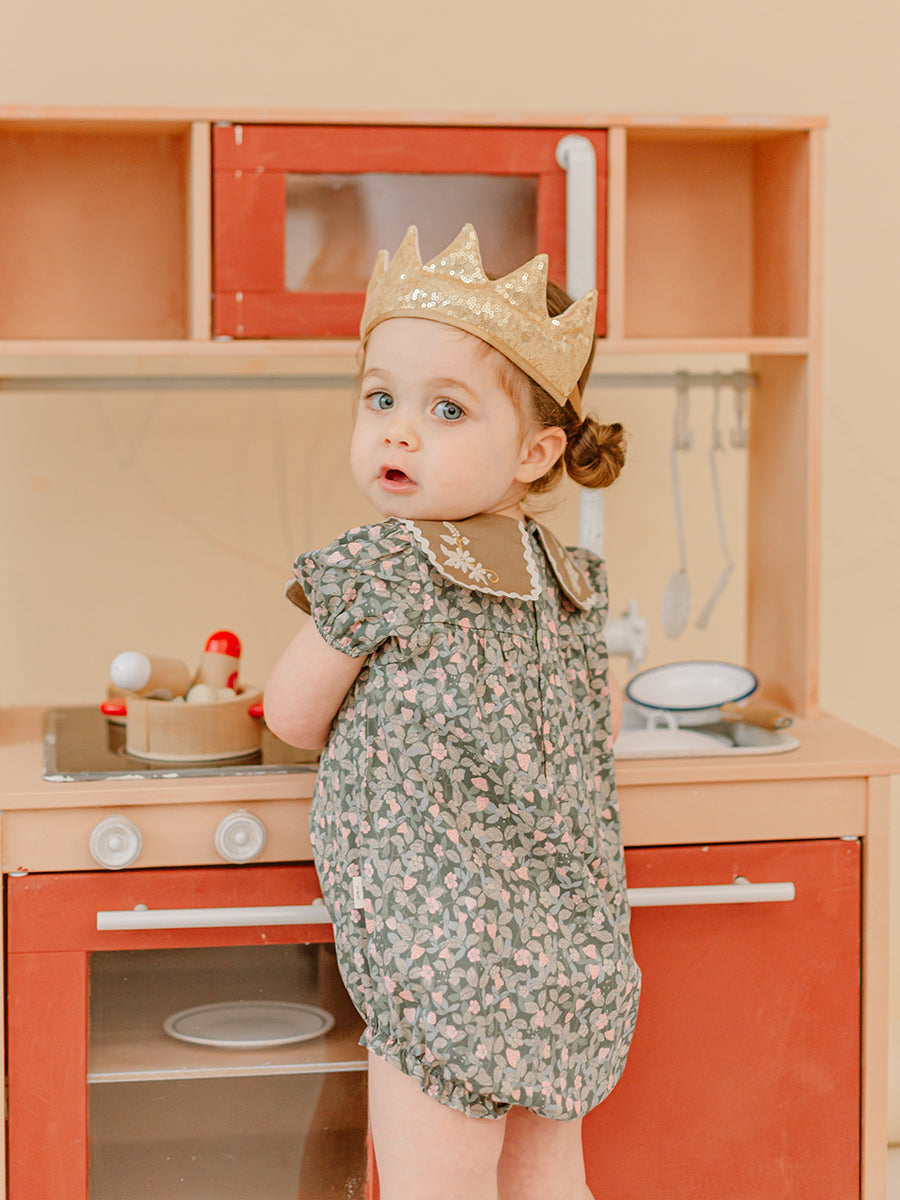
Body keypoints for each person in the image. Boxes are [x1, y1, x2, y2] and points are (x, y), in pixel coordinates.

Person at [265, 224, 641, 1200]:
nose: (399, 431)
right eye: (381, 399)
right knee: (548, 1181)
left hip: (443, 961)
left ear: (535, 452)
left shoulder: (391, 562)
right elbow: (595, 722)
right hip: (570, 954)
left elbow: (290, 715)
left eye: (445, 409)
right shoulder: (572, 581)